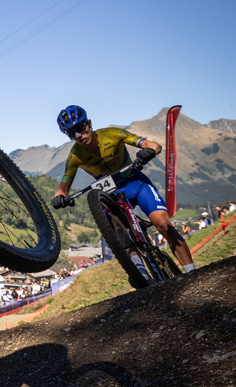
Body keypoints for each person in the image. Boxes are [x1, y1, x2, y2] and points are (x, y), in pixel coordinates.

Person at [50, 105, 195, 275]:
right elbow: (62, 188)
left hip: (136, 184)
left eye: (80, 128)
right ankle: (143, 277)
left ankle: (192, 272)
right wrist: (59, 198)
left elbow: (152, 145)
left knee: (164, 225)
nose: (78, 135)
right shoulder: (74, 156)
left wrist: (148, 151)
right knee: (124, 241)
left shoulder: (112, 134)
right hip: (111, 197)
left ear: (89, 123)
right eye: (71, 132)